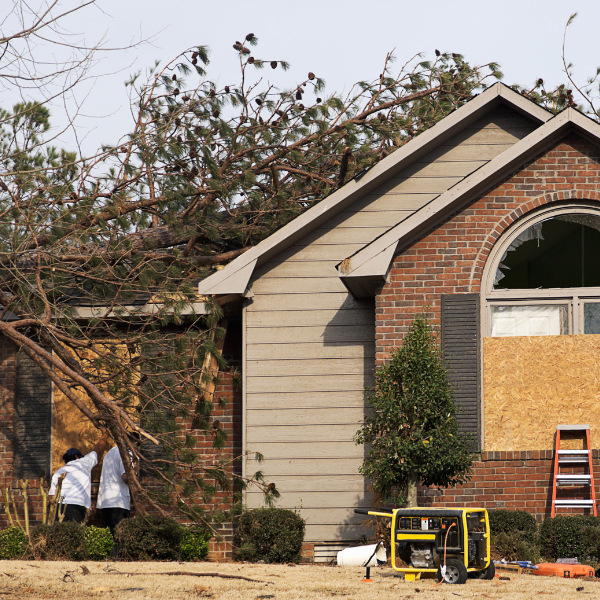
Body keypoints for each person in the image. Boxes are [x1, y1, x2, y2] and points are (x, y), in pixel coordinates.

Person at [48, 429, 109, 523]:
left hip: (60, 508)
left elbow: (51, 496)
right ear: (77, 456)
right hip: (77, 507)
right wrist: (105, 434)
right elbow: (98, 449)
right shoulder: (84, 462)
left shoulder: (58, 472)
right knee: (76, 535)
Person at [97, 432, 141, 537]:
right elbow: (126, 477)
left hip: (105, 502)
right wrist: (135, 472)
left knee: (109, 539)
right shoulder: (126, 452)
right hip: (118, 502)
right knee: (119, 539)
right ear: (134, 442)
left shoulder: (110, 453)